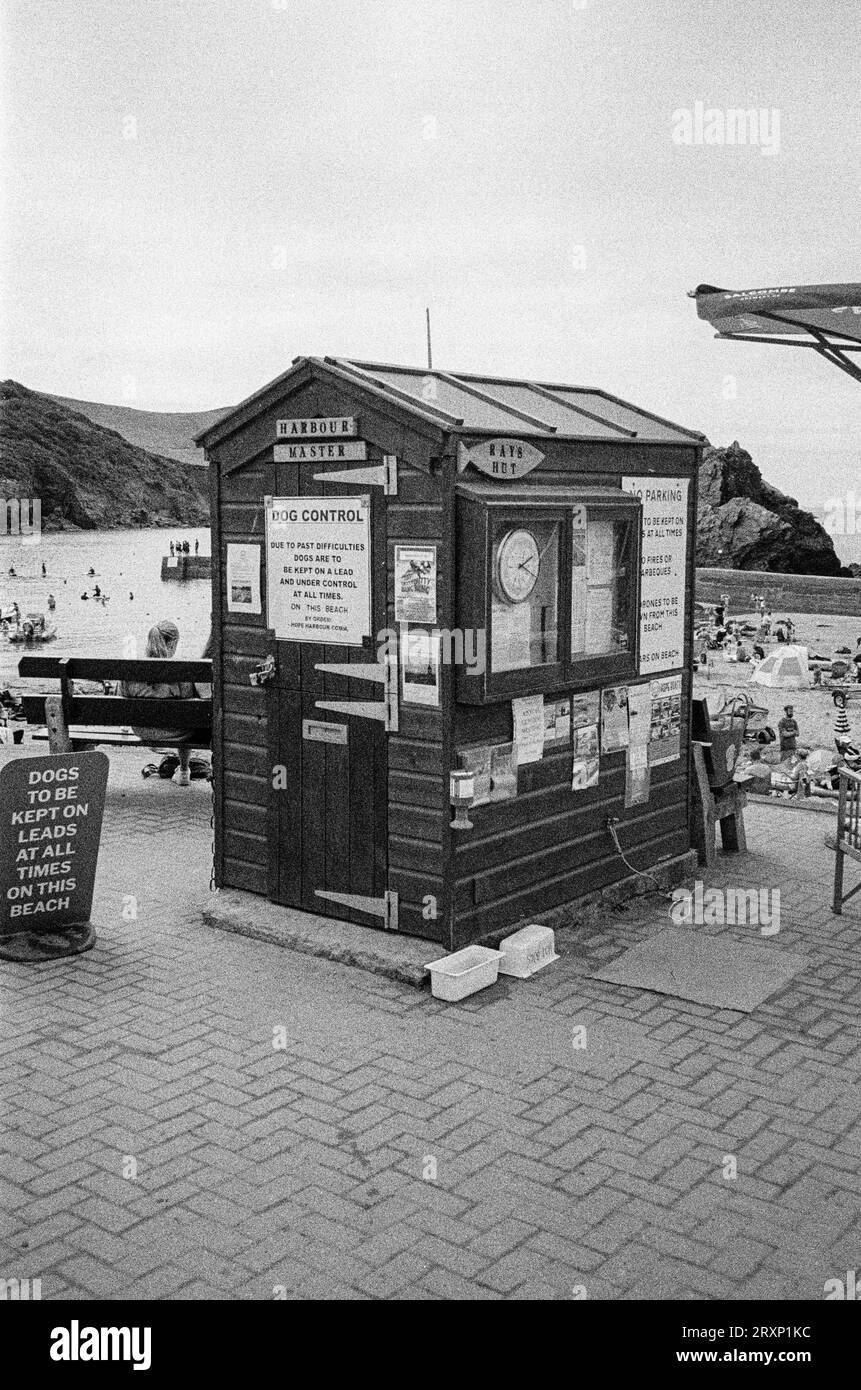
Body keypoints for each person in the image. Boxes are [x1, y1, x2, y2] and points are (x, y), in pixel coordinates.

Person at [121, 620, 202, 786]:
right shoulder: (182, 670)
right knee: (190, 720)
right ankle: (184, 771)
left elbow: (120, 702)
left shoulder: (130, 669)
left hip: (142, 730)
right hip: (178, 733)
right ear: (172, 643)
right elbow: (189, 709)